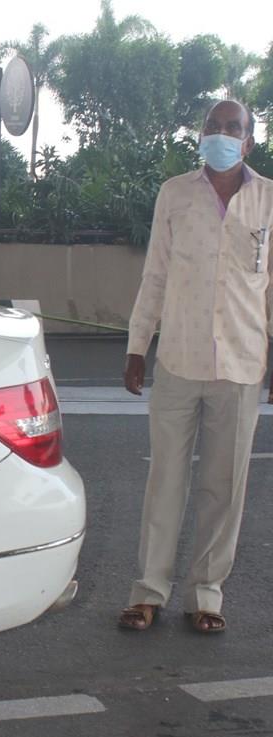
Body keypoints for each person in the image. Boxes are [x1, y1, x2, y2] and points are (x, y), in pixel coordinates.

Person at [118, 100, 273, 635]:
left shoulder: (269, 199)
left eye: (232, 128)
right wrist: (138, 345)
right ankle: (148, 591)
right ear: (201, 134)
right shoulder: (175, 194)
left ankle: (206, 595)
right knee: (165, 479)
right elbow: (155, 274)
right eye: (213, 126)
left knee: (224, 487)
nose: (220, 134)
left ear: (248, 142)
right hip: (179, 358)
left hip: (242, 362)